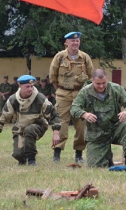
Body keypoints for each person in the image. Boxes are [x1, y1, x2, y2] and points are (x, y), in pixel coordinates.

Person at [70, 69, 126, 168]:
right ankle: (108, 158)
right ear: (92, 80)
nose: (101, 86)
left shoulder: (116, 89)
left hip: (115, 128)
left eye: (104, 83)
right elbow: (74, 108)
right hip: (96, 134)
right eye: (98, 83)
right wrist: (84, 114)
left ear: (107, 79)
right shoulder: (85, 92)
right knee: (96, 167)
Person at [0, 75, 61, 166]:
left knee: (29, 130)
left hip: (38, 125)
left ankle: (31, 160)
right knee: (17, 154)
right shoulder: (13, 99)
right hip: (20, 127)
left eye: (32, 86)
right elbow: (3, 117)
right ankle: (22, 159)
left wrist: (56, 133)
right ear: (20, 85)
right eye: (27, 86)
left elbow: (54, 114)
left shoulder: (40, 98)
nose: (30, 89)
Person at [49, 31, 93, 163]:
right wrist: (61, 91)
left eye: (77, 41)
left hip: (81, 95)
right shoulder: (59, 57)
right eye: (72, 41)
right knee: (61, 124)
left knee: (81, 126)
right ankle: (57, 153)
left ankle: (79, 154)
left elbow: (91, 77)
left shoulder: (85, 58)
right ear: (66, 43)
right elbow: (53, 77)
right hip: (63, 95)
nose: (75, 43)